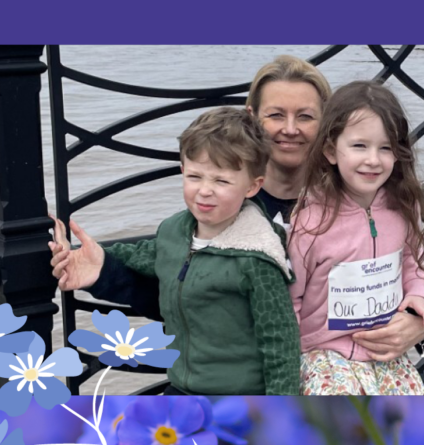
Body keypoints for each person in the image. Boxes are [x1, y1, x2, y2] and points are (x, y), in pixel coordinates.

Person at [53, 55, 424, 369]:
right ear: (252, 117)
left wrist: (420, 323)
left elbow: (410, 267)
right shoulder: (221, 205)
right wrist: (102, 273)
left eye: (305, 116)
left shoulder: (366, 198)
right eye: (275, 115)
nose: (289, 129)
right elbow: (184, 291)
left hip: (350, 365)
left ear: (328, 126)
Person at [50, 107, 299, 395]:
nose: (205, 190)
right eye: (195, 176)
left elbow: (281, 344)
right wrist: (97, 262)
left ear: (253, 186)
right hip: (181, 388)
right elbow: (143, 255)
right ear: (182, 170)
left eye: (222, 181)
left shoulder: (258, 259)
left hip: (239, 398)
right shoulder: (173, 231)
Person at [288, 80, 424, 395]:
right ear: (331, 151)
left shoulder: (403, 205)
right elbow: (291, 299)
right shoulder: (308, 222)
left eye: (385, 147)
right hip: (324, 352)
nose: (373, 159)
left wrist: (417, 299)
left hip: (386, 349)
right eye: (359, 146)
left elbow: (411, 264)